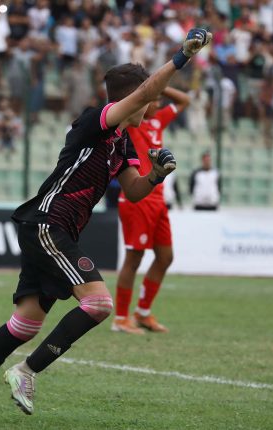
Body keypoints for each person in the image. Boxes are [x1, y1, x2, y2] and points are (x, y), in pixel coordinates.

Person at [0, 28, 211, 421]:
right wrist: (181, 57)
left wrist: (157, 176)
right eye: (148, 96)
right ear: (132, 97)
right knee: (99, 304)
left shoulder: (126, 142)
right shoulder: (96, 122)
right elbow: (149, 90)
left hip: (51, 228)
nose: (155, 103)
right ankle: (26, 372)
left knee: (24, 325)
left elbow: (132, 191)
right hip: (49, 222)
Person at [113, 86, 191, 335]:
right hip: (138, 197)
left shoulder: (158, 121)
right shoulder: (131, 121)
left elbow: (185, 100)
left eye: (159, 100)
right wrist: (147, 90)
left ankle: (143, 313)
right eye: (153, 100)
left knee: (165, 257)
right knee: (134, 258)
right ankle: (121, 318)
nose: (157, 104)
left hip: (158, 199)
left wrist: (161, 84)